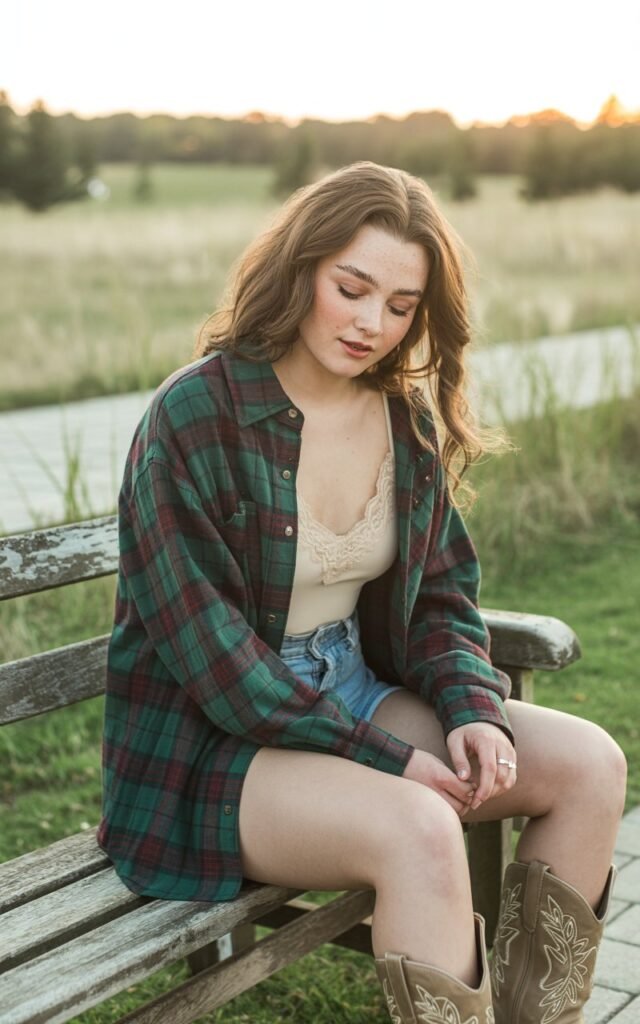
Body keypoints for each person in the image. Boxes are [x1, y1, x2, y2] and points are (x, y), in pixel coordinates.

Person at [98, 161, 626, 1023]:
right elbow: (223, 668)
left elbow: (441, 598)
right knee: (418, 828)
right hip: (211, 748)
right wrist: (393, 761)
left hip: (349, 688)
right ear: (300, 268)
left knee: (588, 766)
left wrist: (471, 709)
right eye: (352, 289)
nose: (372, 324)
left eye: (401, 305)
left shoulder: (402, 418)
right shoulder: (194, 418)